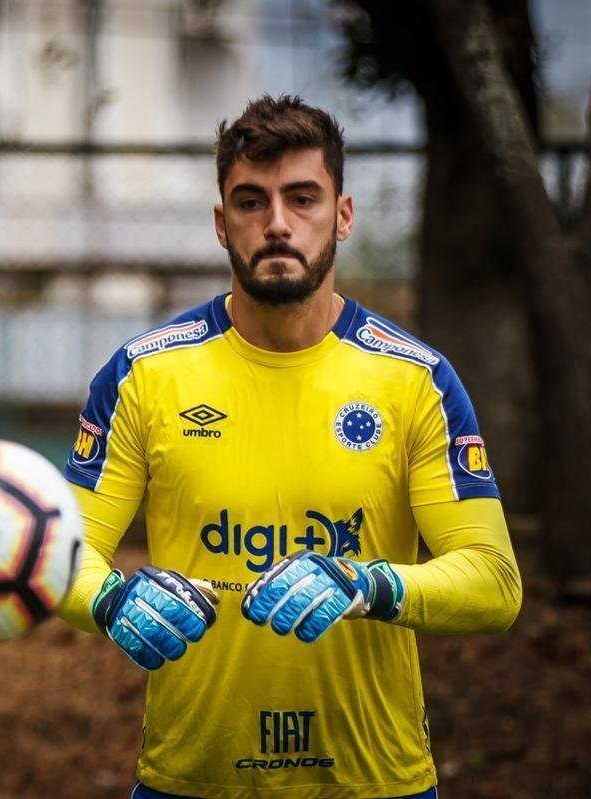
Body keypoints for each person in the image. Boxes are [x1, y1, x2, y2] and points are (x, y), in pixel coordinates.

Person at [57, 95, 523, 799]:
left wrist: (371, 584)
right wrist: (111, 601)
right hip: (192, 782)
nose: (277, 223)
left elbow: (495, 582)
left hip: (375, 783)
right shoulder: (143, 374)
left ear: (343, 215)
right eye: (251, 201)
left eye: (302, 198)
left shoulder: (416, 379)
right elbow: (63, 558)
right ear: (221, 224)